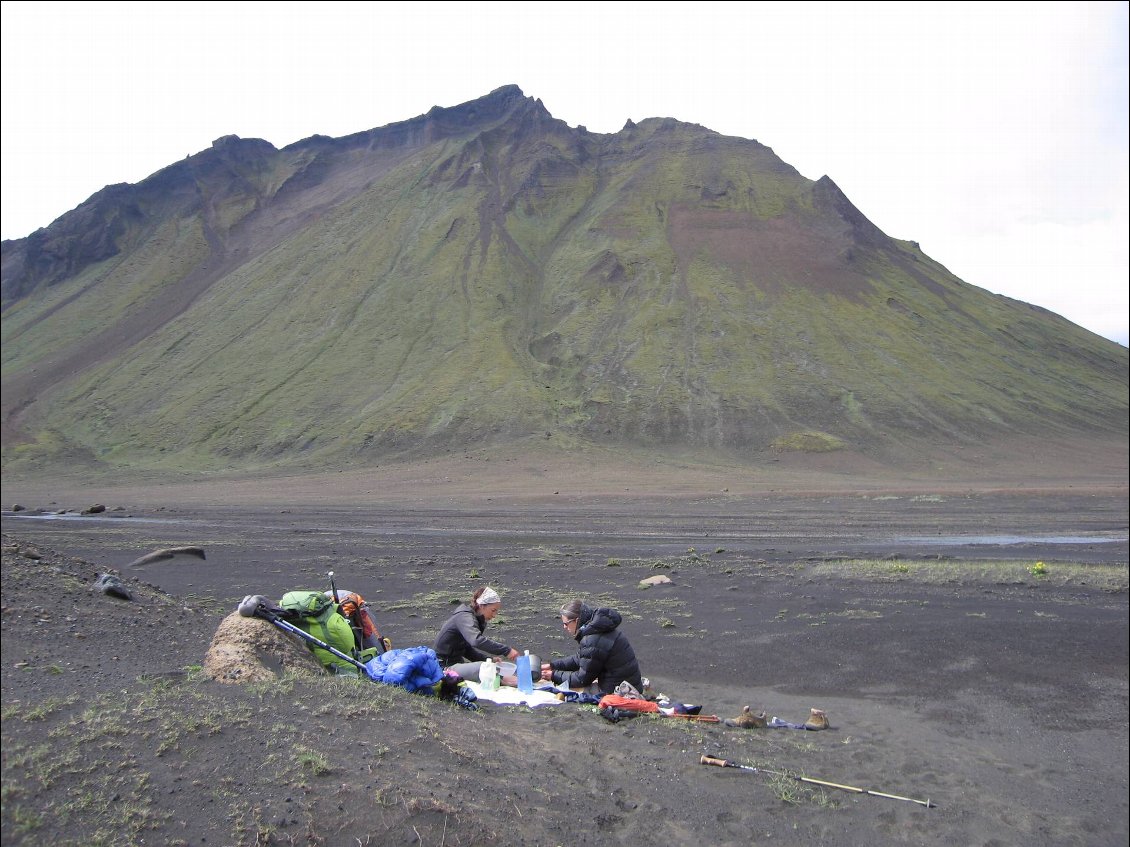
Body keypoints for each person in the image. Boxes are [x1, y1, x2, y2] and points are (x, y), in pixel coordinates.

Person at [540, 600, 643, 695]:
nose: (564, 627)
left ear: (576, 621)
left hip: (618, 691)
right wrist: (552, 666)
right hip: (631, 684)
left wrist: (553, 676)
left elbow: (582, 679)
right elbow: (581, 658)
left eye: (566, 624)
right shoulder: (598, 628)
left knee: (565, 691)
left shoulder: (592, 639)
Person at [433, 586, 521, 681]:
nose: (494, 615)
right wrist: (506, 650)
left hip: (455, 663)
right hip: (442, 667)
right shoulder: (464, 617)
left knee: (487, 666)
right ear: (482, 605)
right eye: (493, 610)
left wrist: (489, 660)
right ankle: (509, 681)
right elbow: (477, 641)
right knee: (484, 668)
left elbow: (466, 650)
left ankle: (507, 679)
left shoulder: (474, 619)